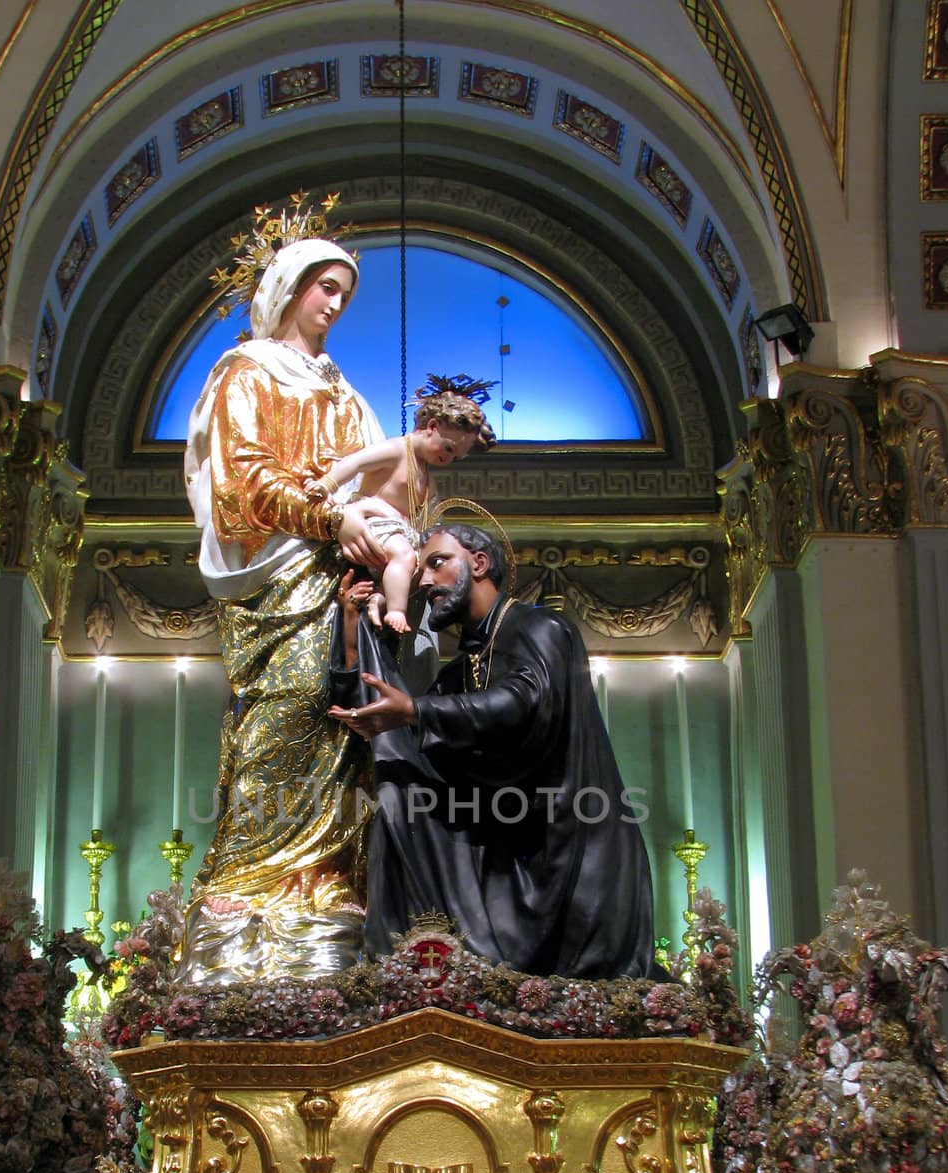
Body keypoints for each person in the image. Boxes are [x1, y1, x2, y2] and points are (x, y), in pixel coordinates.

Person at [178, 224, 395, 985]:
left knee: (347, 727)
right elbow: (243, 479)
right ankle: (243, 891)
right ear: (287, 289)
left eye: (343, 293)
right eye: (323, 286)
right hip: (280, 575)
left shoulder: (342, 390)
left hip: (345, 581)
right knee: (290, 706)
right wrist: (329, 518)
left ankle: (325, 888)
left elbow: (377, 480)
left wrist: (380, 530)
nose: (334, 304)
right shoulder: (248, 371)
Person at [329, 523, 658, 979]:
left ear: (480, 564)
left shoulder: (541, 627)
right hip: (505, 848)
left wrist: (414, 712)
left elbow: (525, 701)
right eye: (420, 568)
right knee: (401, 790)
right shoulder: (462, 670)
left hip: (570, 857)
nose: (424, 581)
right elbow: (416, 738)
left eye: (438, 562)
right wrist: (353, 635)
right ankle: (404, 964)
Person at [306, 376, 495, 634]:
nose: (448, 458)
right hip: (375, 521)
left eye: (455, 457)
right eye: (448, 448)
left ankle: (380, 600)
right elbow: (355, 462)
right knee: (404, 555)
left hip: (403, 532)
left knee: (424, 570)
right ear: (431, 426)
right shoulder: (397, 450)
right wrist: (327, 484)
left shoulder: (428, 477)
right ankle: (396, 610)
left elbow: (429, 520)